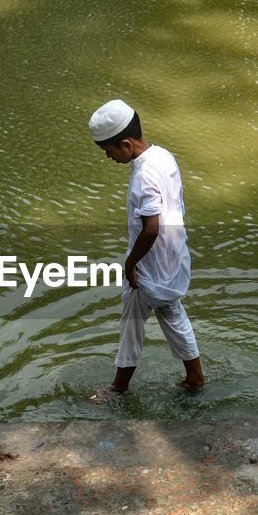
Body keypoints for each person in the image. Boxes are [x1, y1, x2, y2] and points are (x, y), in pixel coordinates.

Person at [87, 99, 205, 401]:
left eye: (109, 151)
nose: (108, 157)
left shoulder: (143, 175)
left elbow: (151, 227)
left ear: (126, 144)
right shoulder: (162, 156)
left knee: (130, 327)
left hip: (149, 268)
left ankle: (118, 389)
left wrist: (130, 263)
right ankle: (195, 378)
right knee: (174, 315)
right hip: (173, 259)